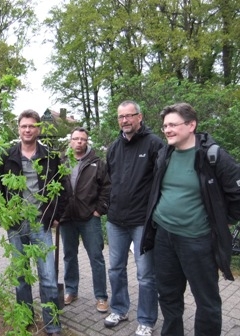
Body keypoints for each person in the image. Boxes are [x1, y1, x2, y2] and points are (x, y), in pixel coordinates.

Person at [141, 103, 240, 336]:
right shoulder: (165, 153)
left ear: (191, 125)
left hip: (197, 239)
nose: (167, 130)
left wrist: (222, 220)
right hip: (164, 236)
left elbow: (237, 194)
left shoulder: (213, 156)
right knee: (168, 295)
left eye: (173, 125)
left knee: (206, 300)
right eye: (165, 125)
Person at [0, 109, 68, 336]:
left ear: (38, 128)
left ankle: (52, 325)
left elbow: (63, 187)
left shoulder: (50, 156)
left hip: (41, 224)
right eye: (23, 126)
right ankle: (25, 318)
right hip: (16, 225)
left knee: (48, 277)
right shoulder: (7, 155)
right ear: (18, 129)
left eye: (32, 126)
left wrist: (56, 215)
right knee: (20, 276)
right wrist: (2, 211)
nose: (27, 130)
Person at [105, 100, 163, 336]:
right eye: (121, 116)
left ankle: (147, 320)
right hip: (116, 220)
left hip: (142, 222)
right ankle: (119, 309)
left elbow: (162, 182)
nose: (125, 120)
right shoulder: (113, 147)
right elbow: (108, 180)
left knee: (146, 275)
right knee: (115, 269)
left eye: (130, 116)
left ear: (140, 116)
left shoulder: (155, 144)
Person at [59, 127, 110, 312]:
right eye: (76, 138)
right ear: (70, 141)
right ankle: (71, 290)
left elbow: (106, 187)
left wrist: (99, 210)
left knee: (96, 257)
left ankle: (101, 296)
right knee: (69, 256)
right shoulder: (62, 161)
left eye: (82, 139)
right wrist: (57, 213)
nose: (79, 142)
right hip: (67, 218)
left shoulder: (96, 162)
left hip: (89, 217)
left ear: (86, 141)